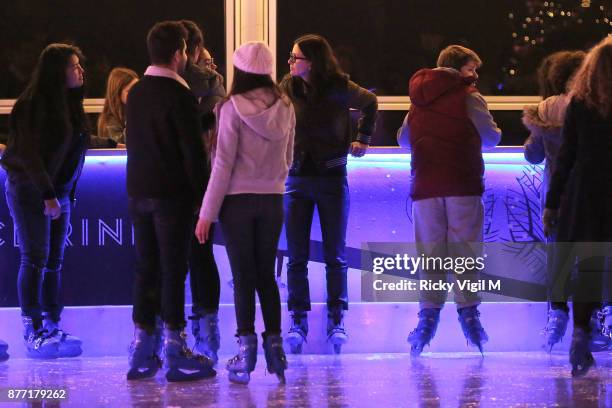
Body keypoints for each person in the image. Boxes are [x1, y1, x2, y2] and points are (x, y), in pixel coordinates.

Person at [196, 41, 294, 385]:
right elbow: (289, 159)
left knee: (243, 277)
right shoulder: (285, 106)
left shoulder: (230, 107)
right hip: (272, 200)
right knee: (266, 275)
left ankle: (245, 351)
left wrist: (206, 212)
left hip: (237, 202)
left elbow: (222, 164)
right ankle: (276, 352)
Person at [397, 45, 501, 356]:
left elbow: (404, 139)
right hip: (462, 185)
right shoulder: (468, 95)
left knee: (431, 255)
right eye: (472, 69)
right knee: (464, 253)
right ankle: (470, 318)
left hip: (425, 186)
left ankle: (426, 321)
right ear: (458, 69)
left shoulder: (419, 97)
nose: (476, 76)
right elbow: (491, 138)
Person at [125, 21, 214, 382]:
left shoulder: (137, 92)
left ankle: (143, 349)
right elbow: (192, 154)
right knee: (174, 271)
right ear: (179, 54)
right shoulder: (179, 96)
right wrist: (203, 198)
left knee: (146, 268)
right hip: (172, 198)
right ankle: (176, 349)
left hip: (138, 193)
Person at [280, 34, 377, 354]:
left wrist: (362, 137)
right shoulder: (288, 87)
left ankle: (337, 317)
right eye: (291, 57)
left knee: (335, 254)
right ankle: (298, 317)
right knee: (296, 256)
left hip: (332, 177)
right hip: (296, 177)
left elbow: (370, 102)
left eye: (296, 57)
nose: (291, 62)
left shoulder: (338, 86)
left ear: (313, 61)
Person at [0, 43, 89, 359]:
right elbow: (29, 154)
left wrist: (62, 194)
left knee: (53, 262)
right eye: (73, 66)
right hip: (31, 191)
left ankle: (52, 324)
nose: (80, 71)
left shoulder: (69, 103)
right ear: (56, 71)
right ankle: (32, 328)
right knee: (35, 257)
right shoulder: (33, 104)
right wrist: (48, 195)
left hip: (60, 192)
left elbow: (72, 147)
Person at [543, 36, 612, 377]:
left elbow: (566, 157)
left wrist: (552, 204)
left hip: (585, 193)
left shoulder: (579, 105)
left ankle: (581, 336)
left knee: (589, 267)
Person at [522, 50, 585, 351]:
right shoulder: (592, 106)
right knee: (593, 252)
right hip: (589, 189)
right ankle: (595, 322)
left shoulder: (545, 107)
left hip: (554, 193)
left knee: (559, 254)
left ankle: (557, 316)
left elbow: (533, 154)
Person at [179, 20, 225, 364]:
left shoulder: (213, 92)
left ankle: (200, 328)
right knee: (191, 258)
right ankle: (190, 330)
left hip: (200, 184)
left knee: (197, 256)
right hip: (193, 183)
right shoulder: (193, 89)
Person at [97, 67, 138, 145]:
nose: (137, 94)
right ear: (118, 94)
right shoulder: (109, 122)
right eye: (130, 91)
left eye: (138, 89)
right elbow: (124, 146)